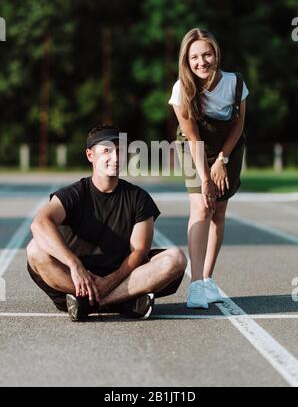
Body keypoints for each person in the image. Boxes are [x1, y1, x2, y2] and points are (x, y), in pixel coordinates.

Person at [27, 124, 187, 321]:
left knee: (176, 258)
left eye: (120, 151)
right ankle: (120, 302)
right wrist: (75, 264)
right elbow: (39, 223)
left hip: (124, 279)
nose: (115, 157)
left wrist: (110, 282)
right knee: (35, 249)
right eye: (106, 151)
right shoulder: (74, 194)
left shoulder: (139, 198)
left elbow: (139, 252)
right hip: (74, 280)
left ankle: (95, 303)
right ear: (90, 155)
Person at [168, 28, 249, 308]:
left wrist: (222, 161)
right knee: (202, 206)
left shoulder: (235, 83)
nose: (201, 62)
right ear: (186, 61)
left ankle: (207, 281)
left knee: (219, 212)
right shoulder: (181, 89)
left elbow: (238, 124)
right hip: (194, 146)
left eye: (207, 54)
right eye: (194, 57)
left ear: (216, 54)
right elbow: (193, 137)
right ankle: (195, 286)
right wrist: (206, 177)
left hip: (228, 145)